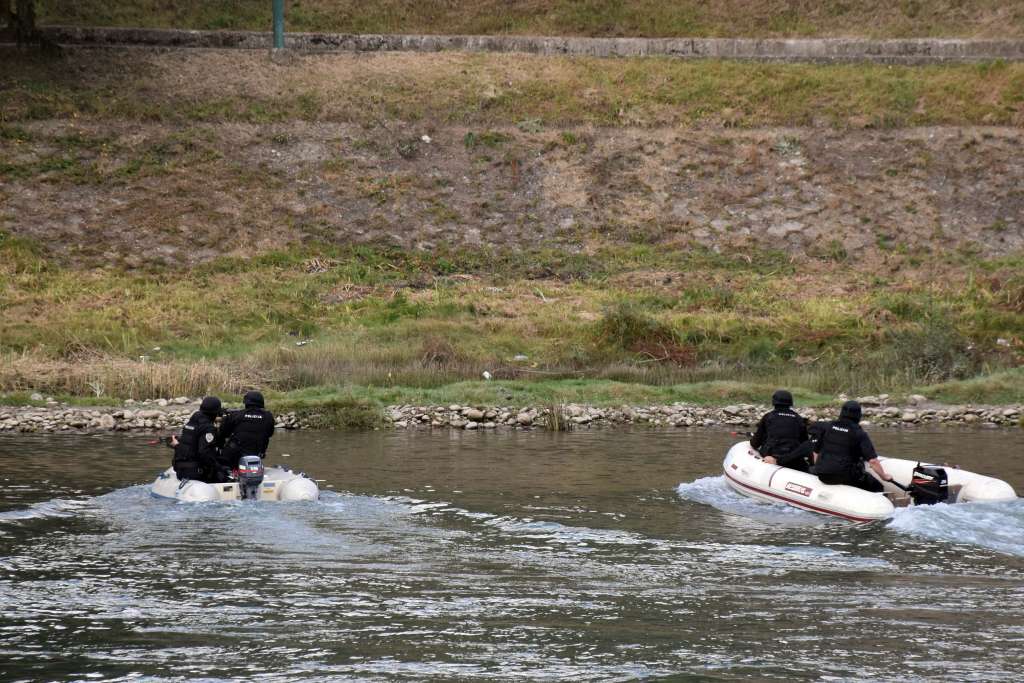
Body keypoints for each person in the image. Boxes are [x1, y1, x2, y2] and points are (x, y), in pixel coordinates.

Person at [809, 400, 892, 492]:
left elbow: (815, 452)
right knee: (877, 486)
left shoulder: (827, 427)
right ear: (858, 415)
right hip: (844, 476)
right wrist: (884, 476)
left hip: (822, 475)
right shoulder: (859, 433)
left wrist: (819, 467)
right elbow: (872, 461)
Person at [216, 390, 275, 480]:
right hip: (255, 455)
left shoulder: (236, 415)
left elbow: (222, 433)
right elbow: (269, 434)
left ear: (246, 402)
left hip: (233, 458)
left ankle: (227, 473)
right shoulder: (268, 417)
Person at [751, 389, 810, 472]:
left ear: (774, 402)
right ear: (790, 403)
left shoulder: (768, 417)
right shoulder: (799, 419)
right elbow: (805, 442)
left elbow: (755, 443)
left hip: (771, 457)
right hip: (793, 459)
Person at [170, 396, 223, 483]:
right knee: (223, 474)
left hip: (180, 470)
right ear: (216, 412)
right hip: (195, 473)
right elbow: (204, 453)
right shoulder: (208, 428)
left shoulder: (192, 422)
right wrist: (219, 468)